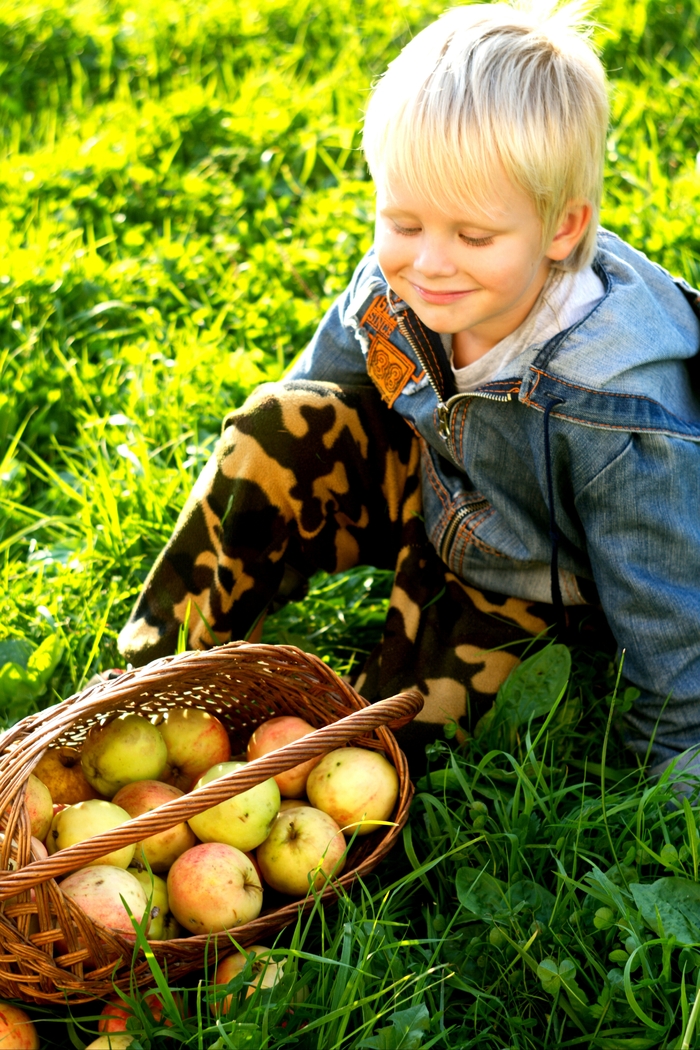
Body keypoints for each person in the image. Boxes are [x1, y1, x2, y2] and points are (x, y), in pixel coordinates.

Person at [117, 1, 700, 778]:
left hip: (525, 575)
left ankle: (359, 729)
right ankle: (149, 688)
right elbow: (316, 397)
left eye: (473, 237)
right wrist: (273, 490)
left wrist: (669, 768)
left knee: (374, 761)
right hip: (427, 483)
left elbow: (666, 605)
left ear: (562, 230)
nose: (428, 263)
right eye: (404, 221)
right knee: (270, 429)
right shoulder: (402, 284)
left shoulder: (616, 412)